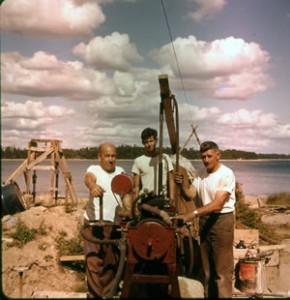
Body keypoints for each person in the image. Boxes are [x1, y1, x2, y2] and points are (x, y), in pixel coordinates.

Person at [175, 141, 236, 298]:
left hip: (222, 222)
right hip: (204, 222)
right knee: (207, 272)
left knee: (222, 273)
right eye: (203, 157)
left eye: (209, 156)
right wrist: (182, 184)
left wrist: (192, 214)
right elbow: (190, 194)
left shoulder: (226, 174)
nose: (206, 160)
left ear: (218, 155)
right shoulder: (200, 173)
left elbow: (217, 204)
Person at [82, 142, 132, 298]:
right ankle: (95, 295)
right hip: (94, 224)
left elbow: (126, 195)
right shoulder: (93, 169)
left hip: (114, 225)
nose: (111, 159)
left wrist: (129, 209)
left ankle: (108, 294)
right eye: (107, 156)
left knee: (111, 263)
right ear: (99, 157)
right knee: (94, 263)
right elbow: (89, 179)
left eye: (113, 156)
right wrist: (92, 186)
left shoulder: (120, 171)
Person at [131, 127, 174, 204]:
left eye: (151, 141)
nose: (149, 144)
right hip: (145, 199)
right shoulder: (138, 161)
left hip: (162, 198)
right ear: (143, 143)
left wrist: (172, 198)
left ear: (156, 140)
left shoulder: (165, 158)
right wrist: (135, 204)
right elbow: (136, 187)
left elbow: (171, 180)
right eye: (146, 142)